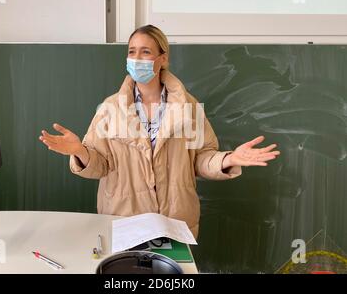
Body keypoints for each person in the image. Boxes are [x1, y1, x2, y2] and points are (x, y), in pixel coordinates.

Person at [39, 25, 280, 239]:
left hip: (175, 221)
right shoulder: (110, 108)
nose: (136, 58)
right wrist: (80, 150)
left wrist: (229, 159)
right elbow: (100, 165)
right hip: (123, 220)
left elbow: (202, 159)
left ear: (162, 59)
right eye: (132, 51)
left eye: (145, 52)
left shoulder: (189, 107)